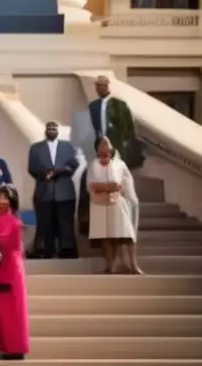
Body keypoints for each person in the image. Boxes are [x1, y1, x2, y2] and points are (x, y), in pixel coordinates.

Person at [87, 136, 141, 274]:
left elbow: (121, 184)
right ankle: (110, 266)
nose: (105, 146)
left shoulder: (119, 164)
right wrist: (107, 186)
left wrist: (113, 187)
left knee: (126, 234)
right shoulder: (93, 164)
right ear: (97, 149)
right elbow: (91, 185)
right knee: (106, 236)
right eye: (102, 144)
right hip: (99, 204)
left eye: (107, 143)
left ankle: (133, 265)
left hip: (117, 203)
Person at [27, 121, 80, 258]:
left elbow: (74, 164)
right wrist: (44, 172)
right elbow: (31, 168)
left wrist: (60, 170)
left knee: (65, 221)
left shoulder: (68, 146)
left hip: (64, 191)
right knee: (45, 221)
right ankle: (45, 249)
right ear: (45, 131)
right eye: (49, 128)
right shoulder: (35, 148)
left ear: (58, 131)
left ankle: (67, 249)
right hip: (44, 190)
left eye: (54, 128)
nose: (52, 130)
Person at [0, 184, 30, 359]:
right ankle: (5, 347)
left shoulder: (12, 220)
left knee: (13, 311)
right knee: (0, 311)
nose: (1, 200)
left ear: (11, 200)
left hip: (10, 269)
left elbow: (3, 241)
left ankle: (16, 347)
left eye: (5, 197)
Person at [89, 75, 143, 169]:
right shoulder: (93, 106)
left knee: (117, 170)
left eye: (100, 86)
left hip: (117, 144)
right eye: (96, 86)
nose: (97, 89)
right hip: (101, 144)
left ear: (106, 86)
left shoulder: (119, 105)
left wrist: (125, 142)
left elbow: (129, 126)